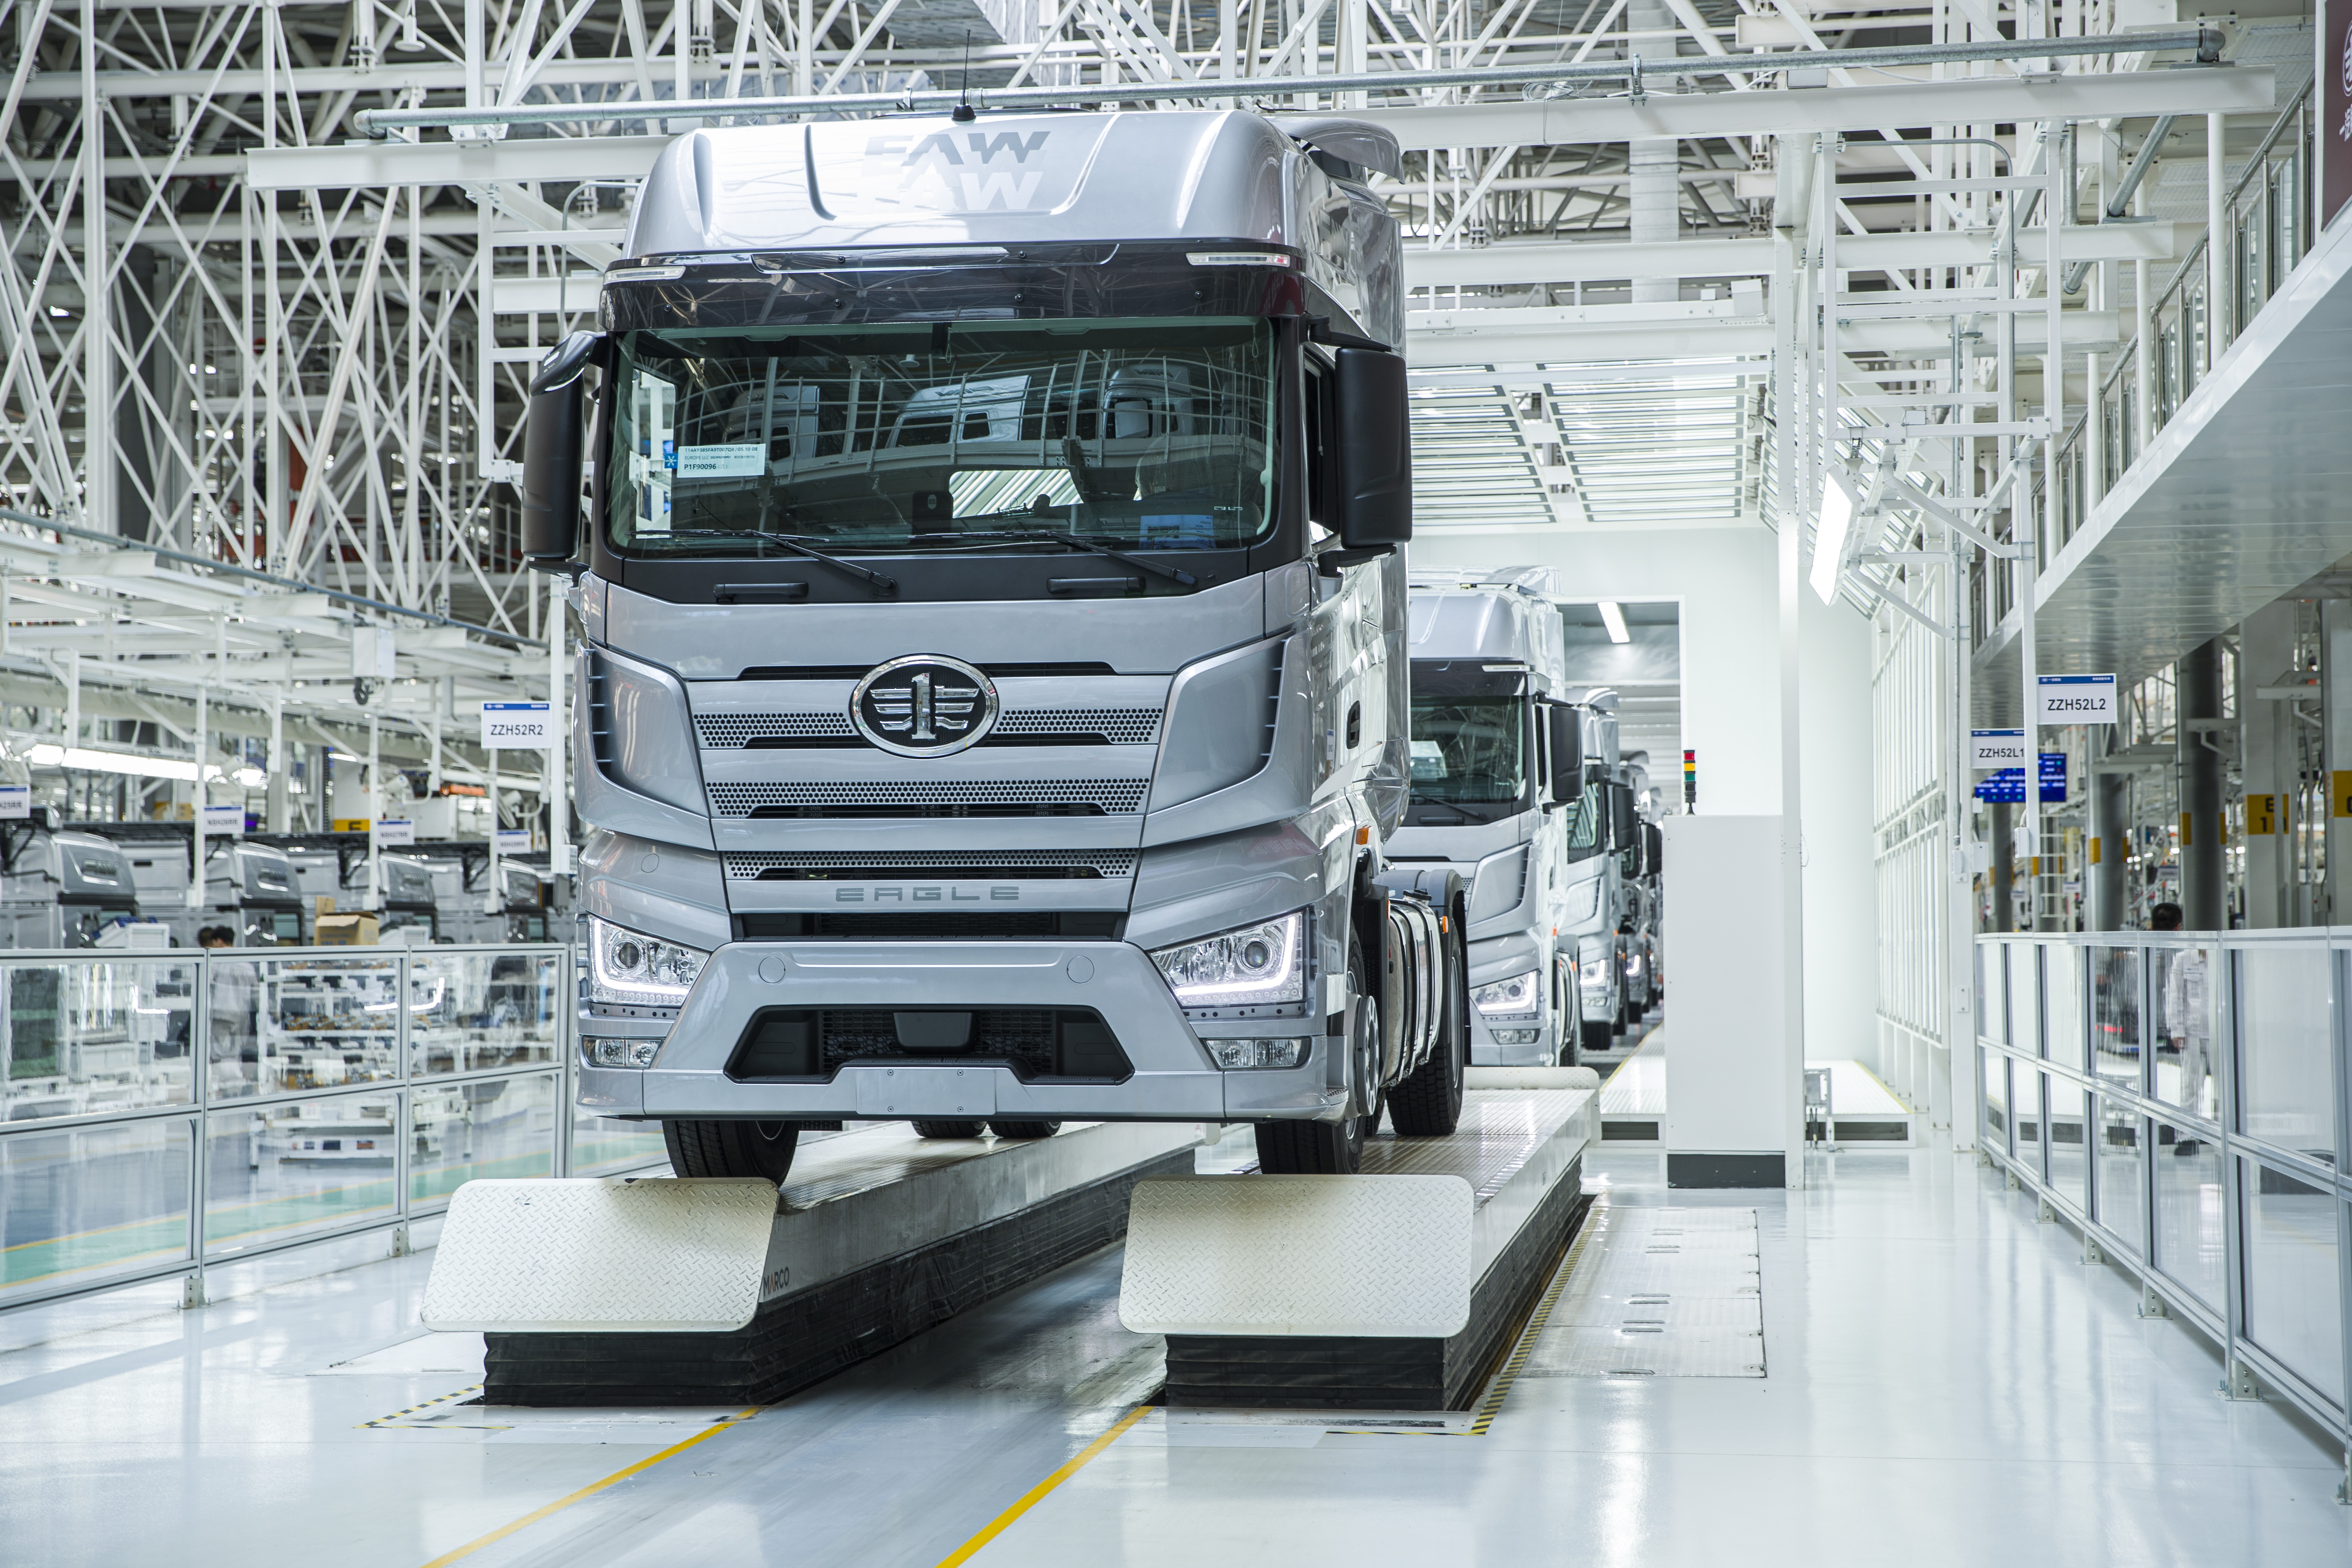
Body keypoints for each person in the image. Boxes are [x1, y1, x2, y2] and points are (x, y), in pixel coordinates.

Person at [2150, 902, 2213, 1152]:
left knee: (2226, 1088)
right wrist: (2176, 1030)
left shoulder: (2223, 957)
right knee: (2190, 1086)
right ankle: (2186, 1138)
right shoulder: (2183, 959)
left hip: (2219, 1034)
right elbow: (2174, 996)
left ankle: (2222, 1136)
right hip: (2192, 1033)